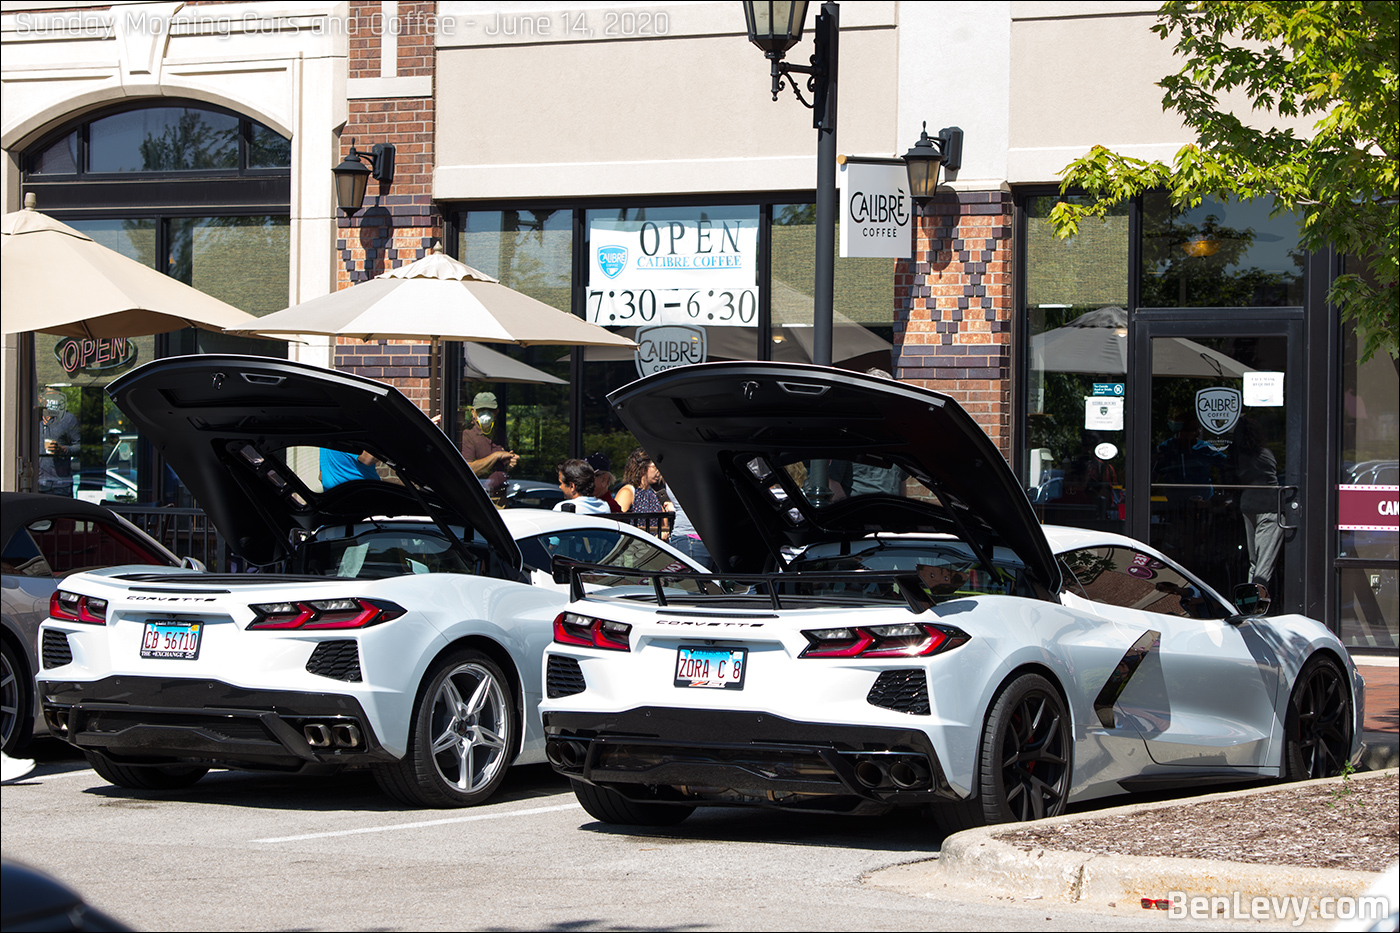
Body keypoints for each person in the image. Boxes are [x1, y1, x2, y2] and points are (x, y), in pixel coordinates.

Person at [1230, 417, 1282, 586]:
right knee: (1263, 565)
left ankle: (1249, 602)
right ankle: (1256, 605)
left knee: (1254, 562)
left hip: (1248, 505)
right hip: (1270, 506)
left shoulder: (1236, 457)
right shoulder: (1265, 455)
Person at [460, 392, 518, 489]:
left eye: (490, 410)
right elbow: (469, 470)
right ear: (473, 412)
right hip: (480, 499)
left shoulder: (500, 433)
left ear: (497, 412)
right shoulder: (467, 434)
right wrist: (496, 455)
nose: (486, 414)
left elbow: (500, 468)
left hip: (501, 498)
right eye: (481, 410)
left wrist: (510, 463)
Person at [37, 388, 80, 497]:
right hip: (37, 484)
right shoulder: (33, 418)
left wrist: (63, 449)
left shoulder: (68, 419)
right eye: (49, 397)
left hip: (61, 485)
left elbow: (80, 447)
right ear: (41, 398)